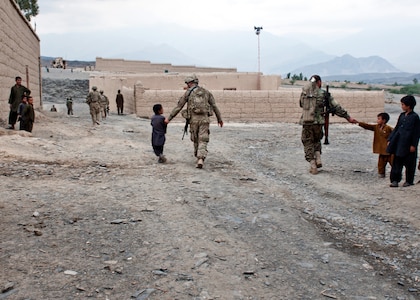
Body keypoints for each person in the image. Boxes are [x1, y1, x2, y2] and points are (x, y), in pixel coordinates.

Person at [299, 75, 357, 174]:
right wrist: (348, 117)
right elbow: (336, 107)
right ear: (319, 82)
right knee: (317, 140)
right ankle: (318, 158)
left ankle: (313, 165)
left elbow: (301, 104)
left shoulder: (305, 92)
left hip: (307, 121)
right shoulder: (324, 94)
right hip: (319, 122)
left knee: (307, 141)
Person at [165, 74, 223, 169]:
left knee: (196, 139)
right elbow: (214, 106)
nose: (187, 85)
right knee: (203, 139)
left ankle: (198, 157)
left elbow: (179, 107)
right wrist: (219, 119)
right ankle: (201, 158)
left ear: (191, 83)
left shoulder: (188, 93)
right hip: (205, 119)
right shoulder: (206, 92)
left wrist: (169, 118)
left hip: (193, 120)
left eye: (187, 83)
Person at [386, 95, 420, 187]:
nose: (402, 106)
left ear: (408, 106)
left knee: (410, 164)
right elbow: (396, 128)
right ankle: (395, 180)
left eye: (403, 104)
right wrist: (390, 139)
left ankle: (409, 181)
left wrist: (413, 145)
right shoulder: (401, 115)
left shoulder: (415, 117)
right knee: (397, 162)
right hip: (399, 143)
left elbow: (416, 132)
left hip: (408, 144)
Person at [358, 113, 394, 178]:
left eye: (379, 119)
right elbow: (368, 126)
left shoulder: (388, 128)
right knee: (381, 164)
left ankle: (396, 174)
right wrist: (359, 123)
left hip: (389, 150)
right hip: (381, 150)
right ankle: (381, 174)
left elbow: (395, 134)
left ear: (384, 120)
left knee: (393, 163)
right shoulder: (376, 127)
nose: (377, 120)